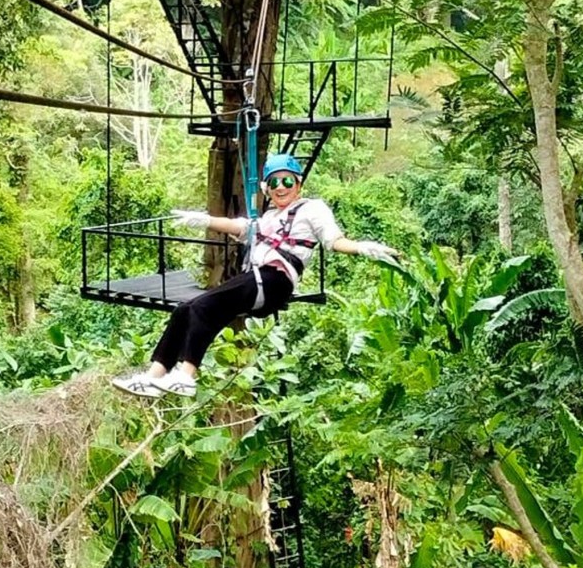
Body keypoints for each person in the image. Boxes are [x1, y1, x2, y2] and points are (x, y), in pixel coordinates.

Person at [111, 153, 398, 399]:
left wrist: (361, 248)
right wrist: (205, 220)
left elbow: (333, 240)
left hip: (275, 280)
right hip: (257, 279)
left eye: (288, 181)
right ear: (266, 187)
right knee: (185, 310)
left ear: (299, 184)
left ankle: (186, 375)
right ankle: (154, 377)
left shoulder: (312, 209)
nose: (281, 187)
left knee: (202, 307)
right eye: (274, 182)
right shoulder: (269, 218)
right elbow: (241, 227)